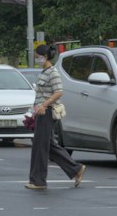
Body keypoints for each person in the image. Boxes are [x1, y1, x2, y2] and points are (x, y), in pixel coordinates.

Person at [26, 43, 84, 191]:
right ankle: (76, 169)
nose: (36, 59)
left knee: (40, 147)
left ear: (45, 57)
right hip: (41, 112)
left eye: (38, 57)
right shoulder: (43, 72)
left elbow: (59, 92)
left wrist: (44, 105)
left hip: (47, 112)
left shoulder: (53, 72)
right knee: (49, 146)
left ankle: (38, 181)